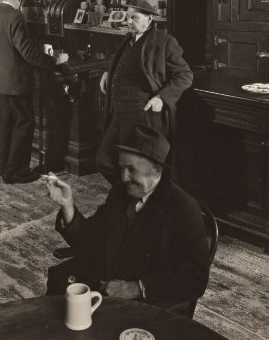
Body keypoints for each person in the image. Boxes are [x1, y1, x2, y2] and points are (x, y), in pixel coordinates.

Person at [45, 124, 210, 312]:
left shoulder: (183, 209)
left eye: (132, 170)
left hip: (142, 305)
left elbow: (195, 277)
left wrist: (135, 288)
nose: (124, 177)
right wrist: (67, 205)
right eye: (122, 168)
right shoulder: (120, 193)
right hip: (102, 287)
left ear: (157, 170)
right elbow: (90, 238)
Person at [96, 0, 192, 184]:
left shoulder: (164, 42)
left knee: (136, 169)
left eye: (135, 18)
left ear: (149, 19)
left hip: (141, 116)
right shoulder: (129, 38)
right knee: (104, 161)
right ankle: (128, 198)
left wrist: (162, 98)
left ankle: (136, 204)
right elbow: (126, 65)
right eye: (128, 16)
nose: (129, 21)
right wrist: (110, 73)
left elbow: (185, 75)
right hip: (119, 112)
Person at [0, 0, 68, 183]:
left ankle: (6, 169)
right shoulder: (16, 16)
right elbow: (27, 52)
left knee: (6, 124)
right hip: (16, 81)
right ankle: (17, 172)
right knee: (24, 123)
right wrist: (55, 61)